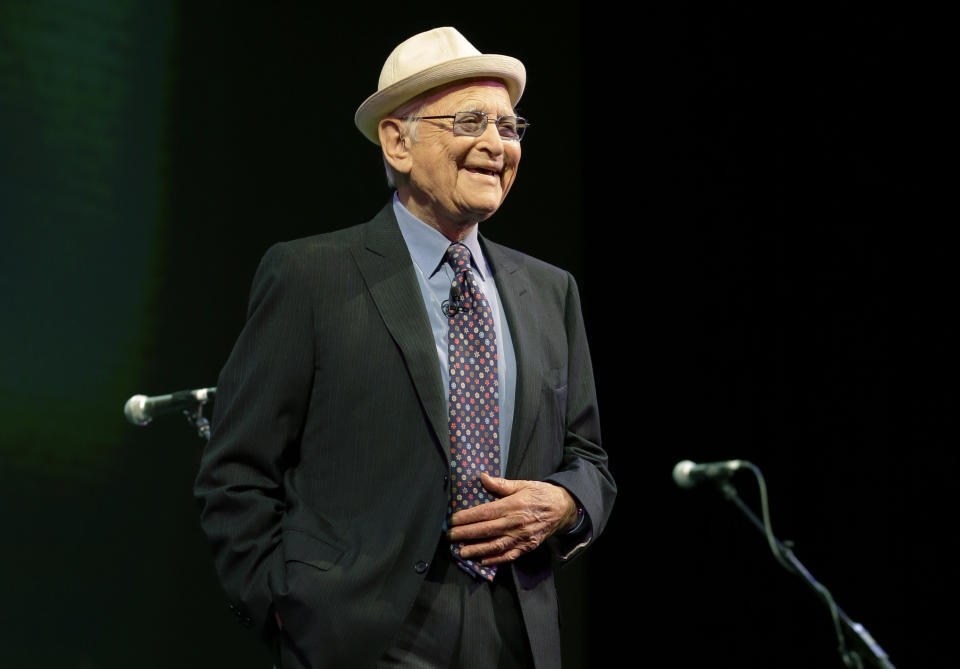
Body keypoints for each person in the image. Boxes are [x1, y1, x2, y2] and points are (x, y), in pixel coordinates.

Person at [194, 26, 616, 668]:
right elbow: (236, 473)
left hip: (517, 637)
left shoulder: (551, 291)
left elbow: (589, 459)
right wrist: (284, 608)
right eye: (471, 121)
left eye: (509, 127)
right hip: (359, 637)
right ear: (398, 141)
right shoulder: (311, 276)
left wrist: (564, 504)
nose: (495, 145)